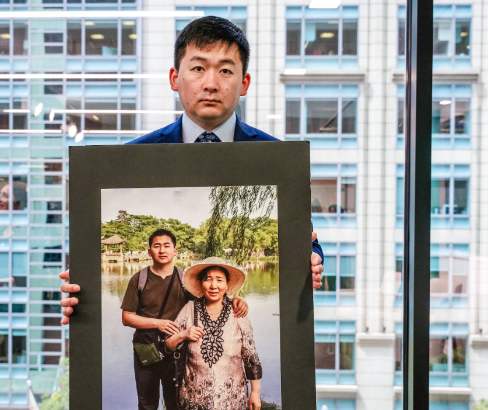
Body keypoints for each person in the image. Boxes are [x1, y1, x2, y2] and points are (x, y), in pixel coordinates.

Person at [59, 15, 324, 324]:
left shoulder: (277, 160)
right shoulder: (131, 160)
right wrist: (81, 292)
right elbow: (90, 255)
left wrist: (313, 259)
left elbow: (308, 240)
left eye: (226, 70)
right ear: (175, 78)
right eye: (198, 68)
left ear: (244, 83)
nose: (211, 83)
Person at [117, 229, 249, 410]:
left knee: (175, 401)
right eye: (157, 246)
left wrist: (234, 300)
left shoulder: (184, 280)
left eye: (166, 246)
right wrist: (158, 323)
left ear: (175, 250)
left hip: (177, 352)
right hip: (147, 349)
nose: (162, 250)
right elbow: (127, 317)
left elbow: (208, 299)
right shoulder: (139, 279)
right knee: (147, 403)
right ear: (149, 251)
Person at [165, 257, 262, 410]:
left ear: (227, 285)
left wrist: (255, 392)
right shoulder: (190, 308)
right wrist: (183, 334)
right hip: (193, 399)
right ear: (201, 283)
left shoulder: (237, 311)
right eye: (208, 279)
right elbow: (168, 345)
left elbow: (251, 356)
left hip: (232, 399)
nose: (213, 285)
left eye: (219, 280)